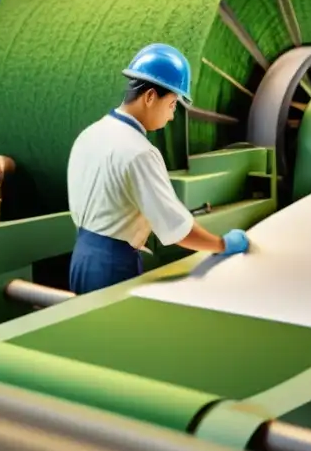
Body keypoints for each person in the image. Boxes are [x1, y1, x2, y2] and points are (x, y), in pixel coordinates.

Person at [66, 43, 251, 295]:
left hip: (81, 258)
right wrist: (222, 244)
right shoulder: (140, 151)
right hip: (113, 267)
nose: (172, 116)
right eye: (173, 104)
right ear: (151, 96)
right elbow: (178, 229)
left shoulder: (90, 134)